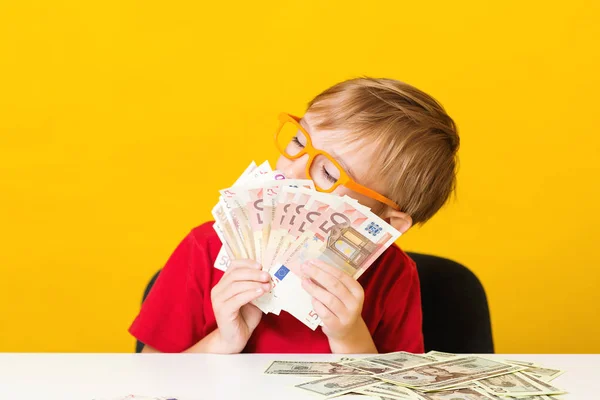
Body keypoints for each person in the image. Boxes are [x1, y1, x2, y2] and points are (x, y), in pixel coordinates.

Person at [129, 77, 460, 354]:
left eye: (329, 173)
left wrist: (348, 336)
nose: (293, 170)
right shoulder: (204, 247)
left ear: (385, 224)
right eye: (298, 140)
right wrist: (224, 341)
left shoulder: (394, 275)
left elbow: (398, 388)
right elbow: (149, 376)